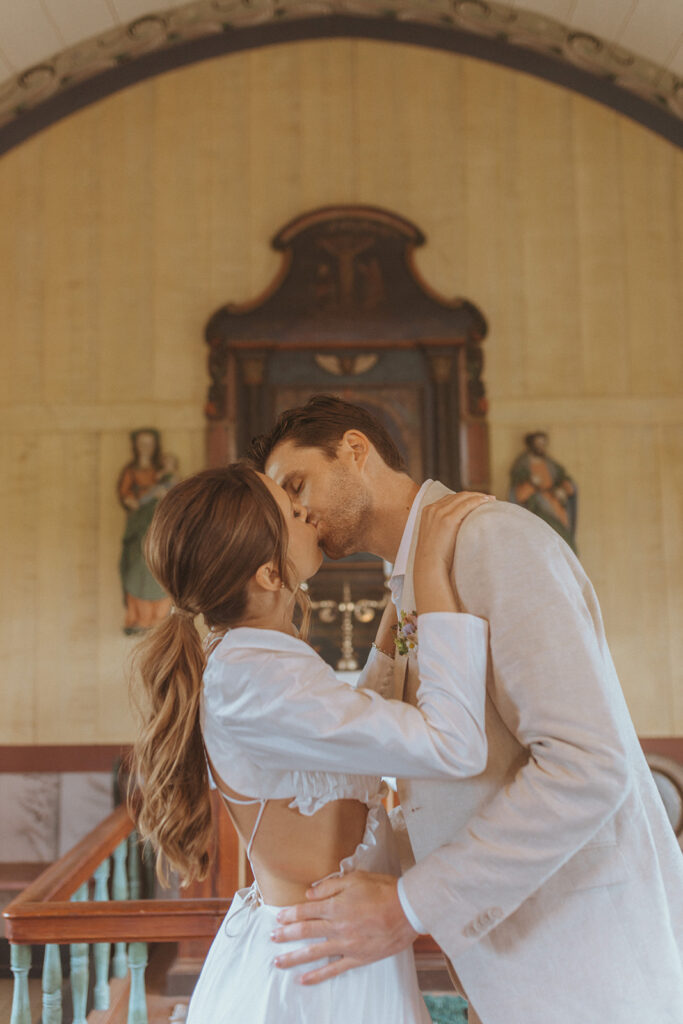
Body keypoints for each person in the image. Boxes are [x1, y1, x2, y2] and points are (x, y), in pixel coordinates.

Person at [249, 394, 683, 1024]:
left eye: (297, 485)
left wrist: (407, 906)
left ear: (354, 450)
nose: (296, 512)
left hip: (588, 962)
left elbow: (589, 766)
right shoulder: (410, 582)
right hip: (513, 965)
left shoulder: (492, 540)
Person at [129, 462, 493, 1023]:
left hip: (340, 949)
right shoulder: (255, 677)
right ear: (272, 574)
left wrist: (404, 590)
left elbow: (360, 723)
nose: (309, 513)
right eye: (293, 512)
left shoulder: (260, 656)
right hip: (313, 978)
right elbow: (453, 745)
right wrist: (432, 574)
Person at [117, 428, 174, 633]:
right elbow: (126, 496)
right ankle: (138, 618)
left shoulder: (162, 472)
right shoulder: (131, 471)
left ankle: (158, 617)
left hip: (156, 521)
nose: (146, 448)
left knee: (158, 564)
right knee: (135, 567)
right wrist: (135, 500)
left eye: (149, 443)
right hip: (139, 524)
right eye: (142, 444)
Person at [509, 430, 577, 552]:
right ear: (531, 445)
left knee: (563, 535)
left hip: (555, 502)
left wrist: (562, 490)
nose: (541, 447)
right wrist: (532, 485)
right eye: (538, 444)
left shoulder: (551, 465)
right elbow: (519, 493)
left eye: (543, 444)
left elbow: (565, 483)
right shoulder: (522, 466)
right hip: (536, 507)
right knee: (546, 536)